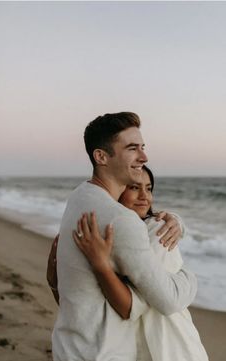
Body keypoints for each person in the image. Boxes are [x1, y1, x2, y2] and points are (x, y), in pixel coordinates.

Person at [52, 112, 197, 361]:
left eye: (142, 147)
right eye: (132, 148)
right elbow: (169, 301)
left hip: (70, 346)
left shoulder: (80, 195)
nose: (144, 157)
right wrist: (191, 276)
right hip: (104, 353)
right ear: (101, 156)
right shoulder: (120, 219)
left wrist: (175, 221)